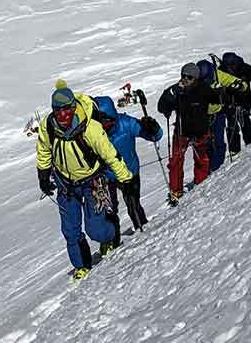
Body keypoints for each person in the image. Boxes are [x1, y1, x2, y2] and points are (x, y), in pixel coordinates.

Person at [36, 81, 134, 281]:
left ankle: (110, 234)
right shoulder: (48, 126)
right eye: (58, 110)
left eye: (66, 109)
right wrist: (43, 175)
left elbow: (110, 155)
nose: (62, 115)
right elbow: (44, 150)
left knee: (95, 229)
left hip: (93, 182)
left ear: (73, 107)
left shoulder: (90, 128)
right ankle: (81, 265)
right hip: (65, 185)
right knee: (70, 230)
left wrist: (126, 179)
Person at [92, 95, 163, 233]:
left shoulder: (126, 123)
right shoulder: (94, 133)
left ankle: (143, 229)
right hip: (106, 175)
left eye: (104, 121)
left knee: (133, 205)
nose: (101, 126)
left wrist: (153, 128)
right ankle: (113, 240)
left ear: (111, 118)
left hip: (130, 172)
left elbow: (156, 136)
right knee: (109, 210)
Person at [157, 62, 217, 205]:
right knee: (176, 163)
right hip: (182, 132)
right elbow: (162, 107)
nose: (184, 79)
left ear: (196, 78)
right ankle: (176, 191)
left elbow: (218, 99)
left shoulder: (203, 89)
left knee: (202, 160)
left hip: (200, 132)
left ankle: (201, 184)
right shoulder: (176, 90)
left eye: (189, 77)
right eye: (183, 76)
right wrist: (169, 98)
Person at [219, 51, 251, 148]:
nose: (230, 68)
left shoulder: (245, 68)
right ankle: (235, 150)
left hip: (244, 101)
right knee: (232, 125)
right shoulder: (221, 70)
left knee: (244, 121)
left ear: (235, 62)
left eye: (231, 65)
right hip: (229, 102)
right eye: (227, 66)